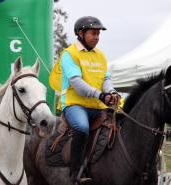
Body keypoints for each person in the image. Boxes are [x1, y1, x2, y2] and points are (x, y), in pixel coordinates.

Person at [49, 16, 120, 184]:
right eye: (93, 33)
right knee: (82, 128)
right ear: (80, 33)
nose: (96, 37)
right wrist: (101, 95)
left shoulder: (101, 56)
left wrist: (111, 92)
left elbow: (105, 79)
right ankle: (76, 173)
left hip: (97, 105)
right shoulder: (69, 54)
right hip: (75, 105)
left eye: (98, 34)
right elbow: (77, 83)